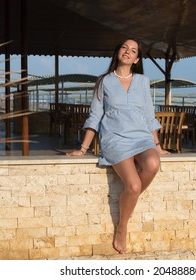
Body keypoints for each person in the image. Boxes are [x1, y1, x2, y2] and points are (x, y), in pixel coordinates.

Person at [66, 38, 170, 254]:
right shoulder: (104, 81)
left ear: (136, 59)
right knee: (132, 187)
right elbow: (95, 115)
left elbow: (149, 115)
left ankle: (127, 204)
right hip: (115, 138)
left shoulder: (143, 81)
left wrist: (157, 145)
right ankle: (122, 227)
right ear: (118, 52)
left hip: (141, 137)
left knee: (153, 163)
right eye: (125, 47)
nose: (128, 51)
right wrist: (83, 148)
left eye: (133, 50)